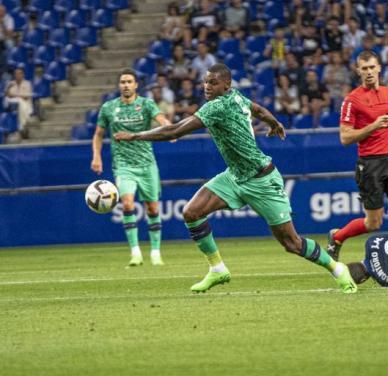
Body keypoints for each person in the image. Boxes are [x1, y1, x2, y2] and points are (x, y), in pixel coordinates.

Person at [114, 63, 357, 294]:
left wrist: (136, 136)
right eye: (205, 82)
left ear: (226, 86)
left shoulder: (216, 106)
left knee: (292, 244)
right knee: (192, 212)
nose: (207, 87)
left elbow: (174, 130)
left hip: (262, 180)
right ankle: (217, 269)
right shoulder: (237, 96)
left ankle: (338, 269)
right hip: (234, 176)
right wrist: (274, 122)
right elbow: (258, 110)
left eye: (213, 83)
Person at [327, 51, 388, 261]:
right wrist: (371, 127)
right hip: (370, 165)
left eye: (372, 67)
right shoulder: (352, 100)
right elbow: (345, 138)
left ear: (379, 68)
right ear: (358, 71)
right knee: (373, 223)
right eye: (364, 68)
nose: (369, 72)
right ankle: (337, 237)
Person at [91, 69, 171, 267]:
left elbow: (161, 120)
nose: (125, 85)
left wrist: (169, 128)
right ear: (119, 85)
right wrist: (96, 157)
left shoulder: (145, 104)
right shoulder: (109, 108)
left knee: (152, 208)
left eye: (129, 82)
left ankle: (155, 252)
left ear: (136, 85)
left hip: (147, 164)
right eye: (122, 82)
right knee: (127, 203)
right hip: (123, 165)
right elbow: (99, 134)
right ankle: (135, 252)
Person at [4, 67, 33, 139]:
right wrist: (8, 88)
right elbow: (7, 95)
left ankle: (20, 127)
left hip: (25, 104)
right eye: (16, 73)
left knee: (19, 102)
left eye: (19, 73)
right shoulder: (11, 84)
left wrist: (15, 96)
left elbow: (26, 97)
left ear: (23, 75)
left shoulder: (27, 83)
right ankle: (20, 127)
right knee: (13, 101)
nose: (17, 75)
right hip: (12, 105)